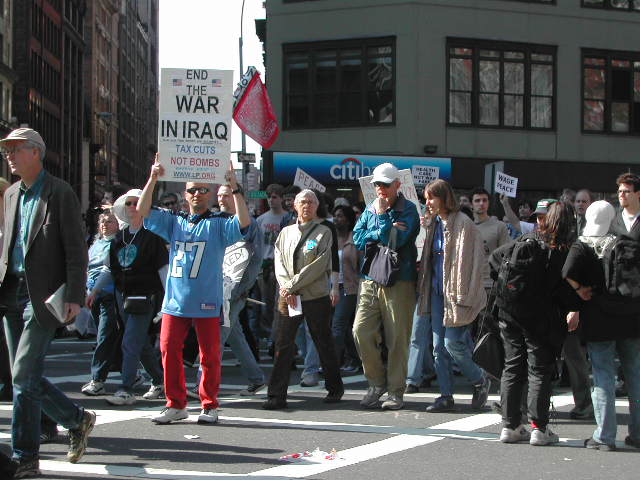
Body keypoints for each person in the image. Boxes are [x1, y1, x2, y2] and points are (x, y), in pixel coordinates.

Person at [0, 128, 96, 477]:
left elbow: (75, 249)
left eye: (15, 149)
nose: (9, 155)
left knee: (23, 375)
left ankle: (25, 456)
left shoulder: (59, 192)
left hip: (44, 296)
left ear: (36, 152)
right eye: (6, 150)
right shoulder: (11, 194)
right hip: (12, 291)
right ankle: (76, 419)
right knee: (22, 376)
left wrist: (74, 296)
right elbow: (7, 247)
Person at [137, 156, 250, 425]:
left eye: (202, 189)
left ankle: (209, 405)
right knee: (168, 350)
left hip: (207, 299)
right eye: (191, 190)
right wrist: (153, 178)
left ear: (211, 194)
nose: (197, 194)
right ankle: (176, 404)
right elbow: (142, 211)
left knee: (209, 355)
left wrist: (235, 187)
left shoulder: (220, 222)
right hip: (175, 299)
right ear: (184, 194)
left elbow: (244, 223)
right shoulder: (174, 220)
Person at [493, 201, 579, 446]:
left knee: (512, 366)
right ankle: (539, 428)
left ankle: (510, 425)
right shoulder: (562, 248)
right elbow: (566, 288)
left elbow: (495, 260)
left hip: (509, 312)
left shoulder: (526, 240)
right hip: (541, 317)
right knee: (539, 369)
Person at [562, 200, 640, 451]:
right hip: (630, 317)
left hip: (599, 319)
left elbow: (567, 271)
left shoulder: (583, 244)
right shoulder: (623, 242)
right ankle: (637, 433)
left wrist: (580, 290)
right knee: (635, 375)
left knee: (603, 375)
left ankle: (604, 436)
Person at [262, 189, 343, 410]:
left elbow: (319, 265)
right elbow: (278, 262)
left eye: (310, 202)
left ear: (317, 206)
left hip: (314, 296)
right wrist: (285, 287)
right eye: (302, 202)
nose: (306, 205)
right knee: (283, 343)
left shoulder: (323, 232)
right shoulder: (285, 232)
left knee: (322, 340)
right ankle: (276, 394)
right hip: (289, 297)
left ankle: (335, 388)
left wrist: (291, 285)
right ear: (295, 206)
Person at [88, 189, 167, 406]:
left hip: (145, 296)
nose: (133, 206)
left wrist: (169, 299)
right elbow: (108, 269)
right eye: (130, 203)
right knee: (139, 342)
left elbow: (164, 271)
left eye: (137, 203)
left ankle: (126, 388)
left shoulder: (153, 238)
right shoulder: (119, 239)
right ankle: (159, 381)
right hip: (123, 296)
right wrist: (94, 291)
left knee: (130, 340)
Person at [417, 179, 489, 413]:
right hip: (437, 291)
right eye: (426, 198)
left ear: (443, 198)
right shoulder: (433, 223)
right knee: (439, 347)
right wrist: (425, 227)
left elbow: (474, 262)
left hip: (457, 292)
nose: (427, 202)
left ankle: (479, 380)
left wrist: (464, 293)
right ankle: (446, 395)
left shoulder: (463, 223)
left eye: (431, 197)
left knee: (453, 344)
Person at [353, 163, 420, 410]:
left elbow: (397, 240)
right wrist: (383, 229)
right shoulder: (370, 208)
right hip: (370, 276)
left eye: (385, 184)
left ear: (397, 185)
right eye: (377, 184)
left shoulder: (409, 210)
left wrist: (381, 222)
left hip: (400, 278)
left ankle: (395, 391)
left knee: (397, 338)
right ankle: (376, 382)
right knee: (360, 331)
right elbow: (359, 238)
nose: (380, 188)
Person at [216, 184, 266, 395]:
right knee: (235, 335)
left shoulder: (251, 226)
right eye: (219, 195)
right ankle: (256, 378)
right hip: (216, 289)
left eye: (226, 195)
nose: (221, 199)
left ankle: (203, 383)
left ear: (238, 198)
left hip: (234, 291)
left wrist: (243, 288)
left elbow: (255, 261)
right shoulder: (215, 221)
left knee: (216, 337)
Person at [81, 212, 120, 396]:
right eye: (102, 221)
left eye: (109, 221)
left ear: (118, 224)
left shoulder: (118, 243)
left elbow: (109, 269)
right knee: (110, 337)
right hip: (94, 295)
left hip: (110, 295)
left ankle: (97, 379)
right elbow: (88, 269)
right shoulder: (96, 244)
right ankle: (134, 374)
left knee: (104, 337)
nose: (105, 224)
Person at [331, 205, 361, 373]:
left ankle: (333, 363)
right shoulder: (329, 237)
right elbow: (312, 250)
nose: (337, 219)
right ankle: (355, 358)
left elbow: (363, 264)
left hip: (350, 287)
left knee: (338, 324)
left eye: (341, 216)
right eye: (335, 216)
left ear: (348, 220)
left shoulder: (355, 238)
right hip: (331, 286)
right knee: (345, 326)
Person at [256, 184, 288, 342]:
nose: (271, 200)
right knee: (265, 302)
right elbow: (256, 244)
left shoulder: (287, 218)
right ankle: (268, 332)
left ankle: (274, 336)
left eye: (275, 196)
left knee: (278, 304)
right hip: (265, 266)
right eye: (269, 196)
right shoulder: (261, 219)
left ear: (281, 198)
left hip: (281, 266)